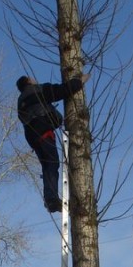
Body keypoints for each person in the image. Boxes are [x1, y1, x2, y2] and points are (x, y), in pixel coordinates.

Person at [16, 72, 90, 213]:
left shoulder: (20, 101)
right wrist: (80, 81)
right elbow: (60, 91)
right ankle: (51, 200)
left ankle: (51, 199)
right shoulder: (37, 90)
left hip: (33, 137)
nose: (34, 78)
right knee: (51, 164)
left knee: (47, 166)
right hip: (43, 131)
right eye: (31, 78)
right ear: (28, 82)